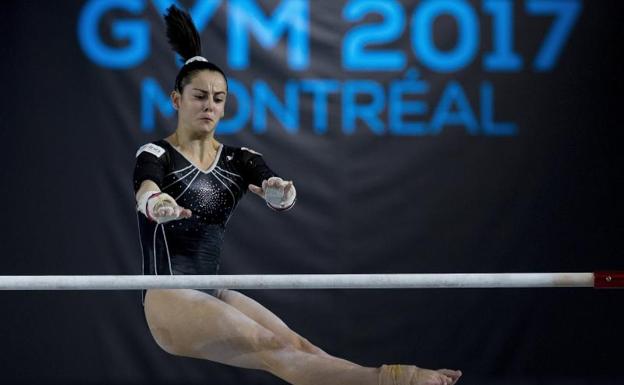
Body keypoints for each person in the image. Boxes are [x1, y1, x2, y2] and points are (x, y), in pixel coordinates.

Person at [134, 5, 463, 385]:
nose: (210, 105)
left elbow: (276, 188)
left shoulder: (239, 159)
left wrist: (279, 193)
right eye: (199, 96)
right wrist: (156, 204)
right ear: (176, 99)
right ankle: (394, 378)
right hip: (169, 297)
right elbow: (147, 189)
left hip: (212, 291)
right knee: (269, 345)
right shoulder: (156, 154)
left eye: (219, 98)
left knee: (299, 347)